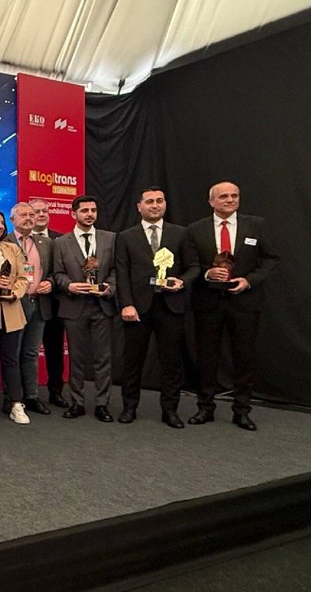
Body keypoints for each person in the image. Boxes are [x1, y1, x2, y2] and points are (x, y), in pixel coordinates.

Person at [185, 181, 278, 430]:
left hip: (244, 302)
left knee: (244, 357)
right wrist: (207, 273)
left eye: (234, 196)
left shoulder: (256, 225)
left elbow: (270, 259)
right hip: (208, 302)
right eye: (224, 196)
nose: (230, 200)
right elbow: (190, 264)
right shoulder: (195, 229)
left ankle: (242, 410)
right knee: (207, 357)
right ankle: (205, 407)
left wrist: (249, 281)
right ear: (211, 201)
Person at [114, 187, 199, 428]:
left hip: (171, 305)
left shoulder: (181, 233)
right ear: (139, 206)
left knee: (171, 361)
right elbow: (122, 273)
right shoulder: (126, 236)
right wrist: (126, 304)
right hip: (138, 308)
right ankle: (129, 407)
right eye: (150, 201)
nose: (155, 205)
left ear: (165, 204)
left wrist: (182, 281)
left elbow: (194, 266)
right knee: (133, 360)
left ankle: (170, 410)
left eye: (159, 201)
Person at [52, 195, 117, 422]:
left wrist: (108, 287)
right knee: (76, 358)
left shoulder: (110, 238)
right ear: (73, 214)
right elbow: (57, 273)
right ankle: (77, 402)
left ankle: (102, 404)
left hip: (102, 306)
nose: (90, 214)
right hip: (74, 306)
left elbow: (116, 270)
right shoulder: (61, 242)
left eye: (93, 210)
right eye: (85, 211)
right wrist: (68, 285)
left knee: (103, 358)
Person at [0, 209, 31, 424]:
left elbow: (23, 277)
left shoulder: (12, 249)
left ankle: (15, 403)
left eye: (2, 222)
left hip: (10, 312)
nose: (0, 226)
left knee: (11, 359)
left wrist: (14, 292)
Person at [8, 203, 54, 416]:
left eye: (31, 214)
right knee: (12, 353)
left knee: (31, 352)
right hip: (14, 304)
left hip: (39, 302)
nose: (29, 218)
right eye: (23, 215)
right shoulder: (4, 241)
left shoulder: (45, 243)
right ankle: (12, 398)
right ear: (12, 219)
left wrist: (50, 282)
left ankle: (32, 396)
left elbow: (54, 271)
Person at [31, 198, 69, 408]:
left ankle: (56, 392)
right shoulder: (16, 240)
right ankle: (28, 394)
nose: (41, 215)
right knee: (26, 351)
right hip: (26, 303)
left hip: (54, 304)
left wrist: (51, 282)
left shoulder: (60, 240)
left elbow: (64, 269)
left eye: (44, 211)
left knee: (54, 350)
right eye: (36, 212)